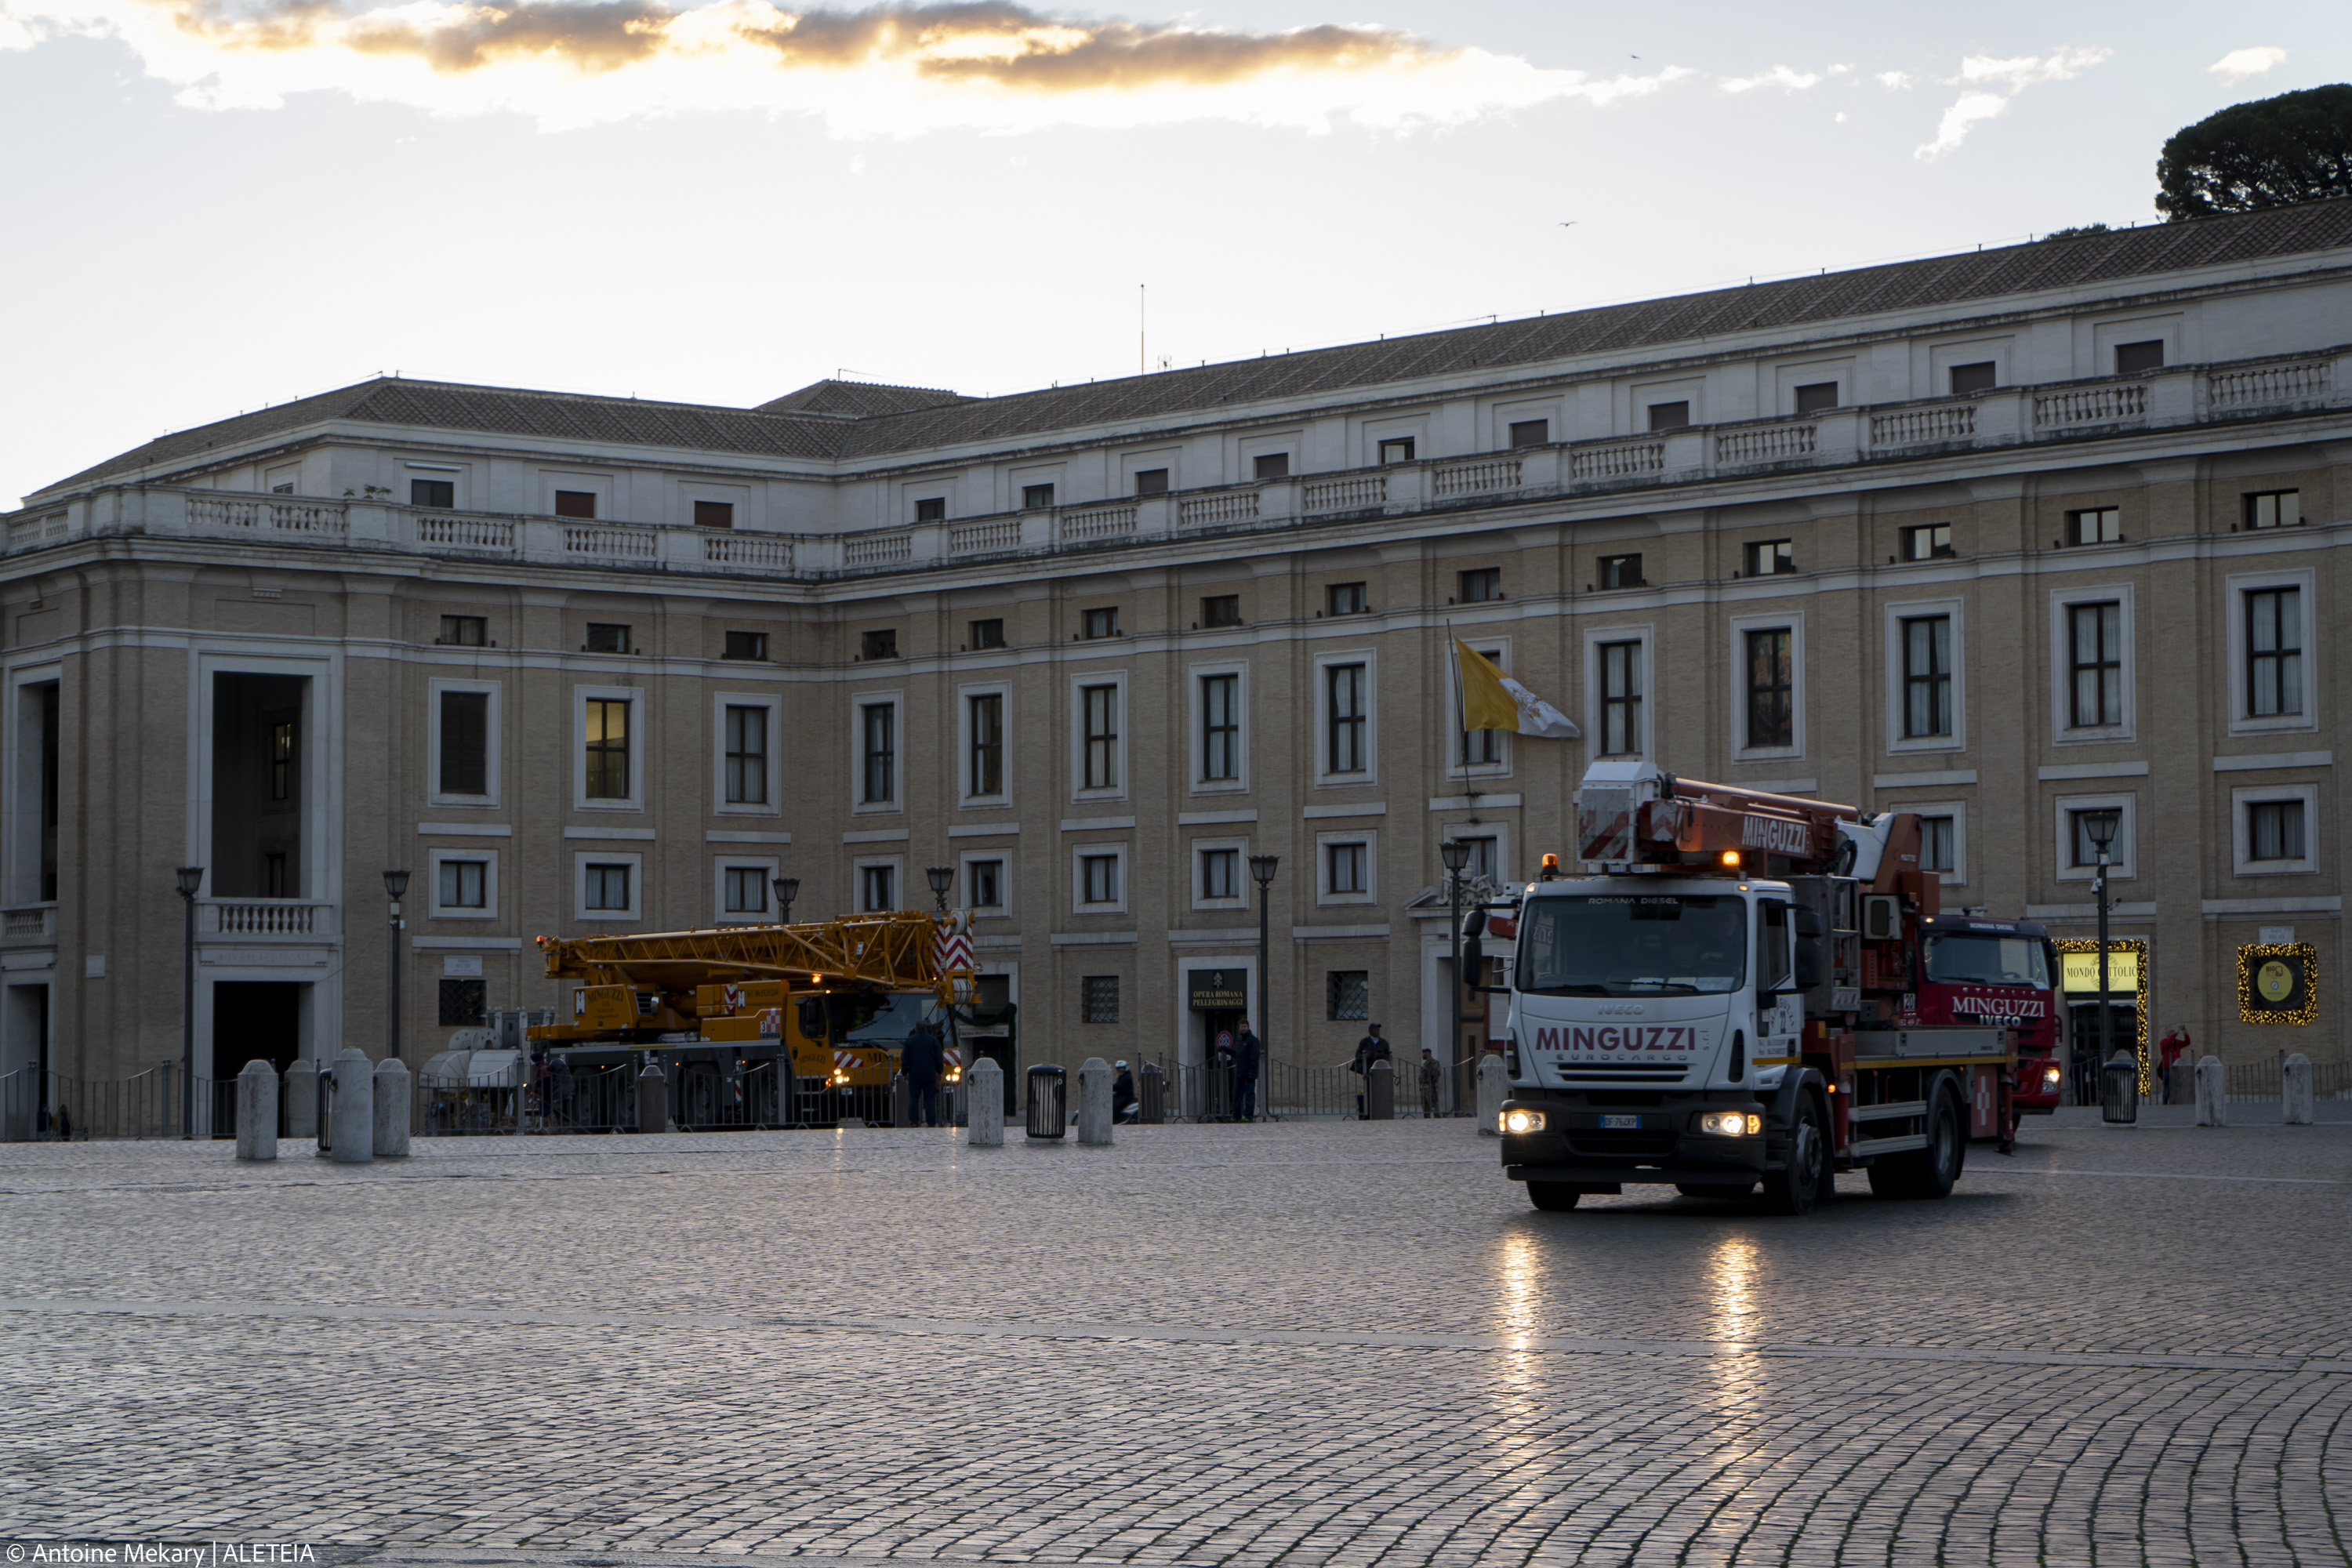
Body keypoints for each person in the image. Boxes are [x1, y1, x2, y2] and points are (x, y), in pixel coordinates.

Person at [900, 1018, 946, 1127]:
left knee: (914, 1099)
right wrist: (939, 1072)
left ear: (916, 1029)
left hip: (914, 1075)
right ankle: (931, 1122)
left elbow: (905, 1058)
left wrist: (905, 1072)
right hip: (930, 1075)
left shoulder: (909, 1041)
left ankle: (914, 1122)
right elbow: (939, 1058)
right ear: (926, 1029)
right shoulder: (933, 1041)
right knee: (930, 1100)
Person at [1352, 1025, 1392, 1120]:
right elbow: (1357, 1055)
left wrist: (1382, 1056)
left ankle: (1382, 1114)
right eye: (1376, 1029)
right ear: (1370, 1031)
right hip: (1369, 1073)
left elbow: (1389, 1057)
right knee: (1369, 1094)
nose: (1378, 1031)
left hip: (1382, 1074)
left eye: (1378, 1030)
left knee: (1382, 1094)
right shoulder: (1365, 1042)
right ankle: (1368, 1114)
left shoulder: (1383, 1042)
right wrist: (1366, 1056)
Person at [1232, 1022, 1262, 1123]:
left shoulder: (1254, 1041)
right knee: (1236, 1095)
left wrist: (1252, 1074)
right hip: (1239, 1074)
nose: (1243, 1028)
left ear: (1248, 1027)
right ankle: (1236, 1116)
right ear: (1239, 1028)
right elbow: (1236, 1054)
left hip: (1249, 1075)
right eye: (1242, 1027)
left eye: (1245, 1027)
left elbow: (1254, 1058)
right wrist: (1226, 1050)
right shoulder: (1239, 1040)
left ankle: (1248, 1116)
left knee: (1249, 1096)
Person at [1418, 1047, 1441, 1119]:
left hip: (1429, 1087)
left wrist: (1428, 1070)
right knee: (1425, 1108)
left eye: (1423, 1054)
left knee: (1433, 1106)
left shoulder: (1434, 1063)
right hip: (1423, 1087)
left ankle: (1437, 1119)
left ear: (1427, 1054)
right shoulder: (1425, 1064)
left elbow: (1436, 1074)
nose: (1422, 1056)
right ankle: (1427, 1120)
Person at [1113, 1060, 1138, 1124]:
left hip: (1126, 1097)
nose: (1120, 1070)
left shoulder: (1127, 1076)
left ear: (1125, 1068)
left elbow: (1120, 1086)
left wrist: (1111, 1086)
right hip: (1121, 1095)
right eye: (1118, 1068)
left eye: (1121, 1068)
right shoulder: (1123, 1076)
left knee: (1114, 1104)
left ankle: (1116, 1120)